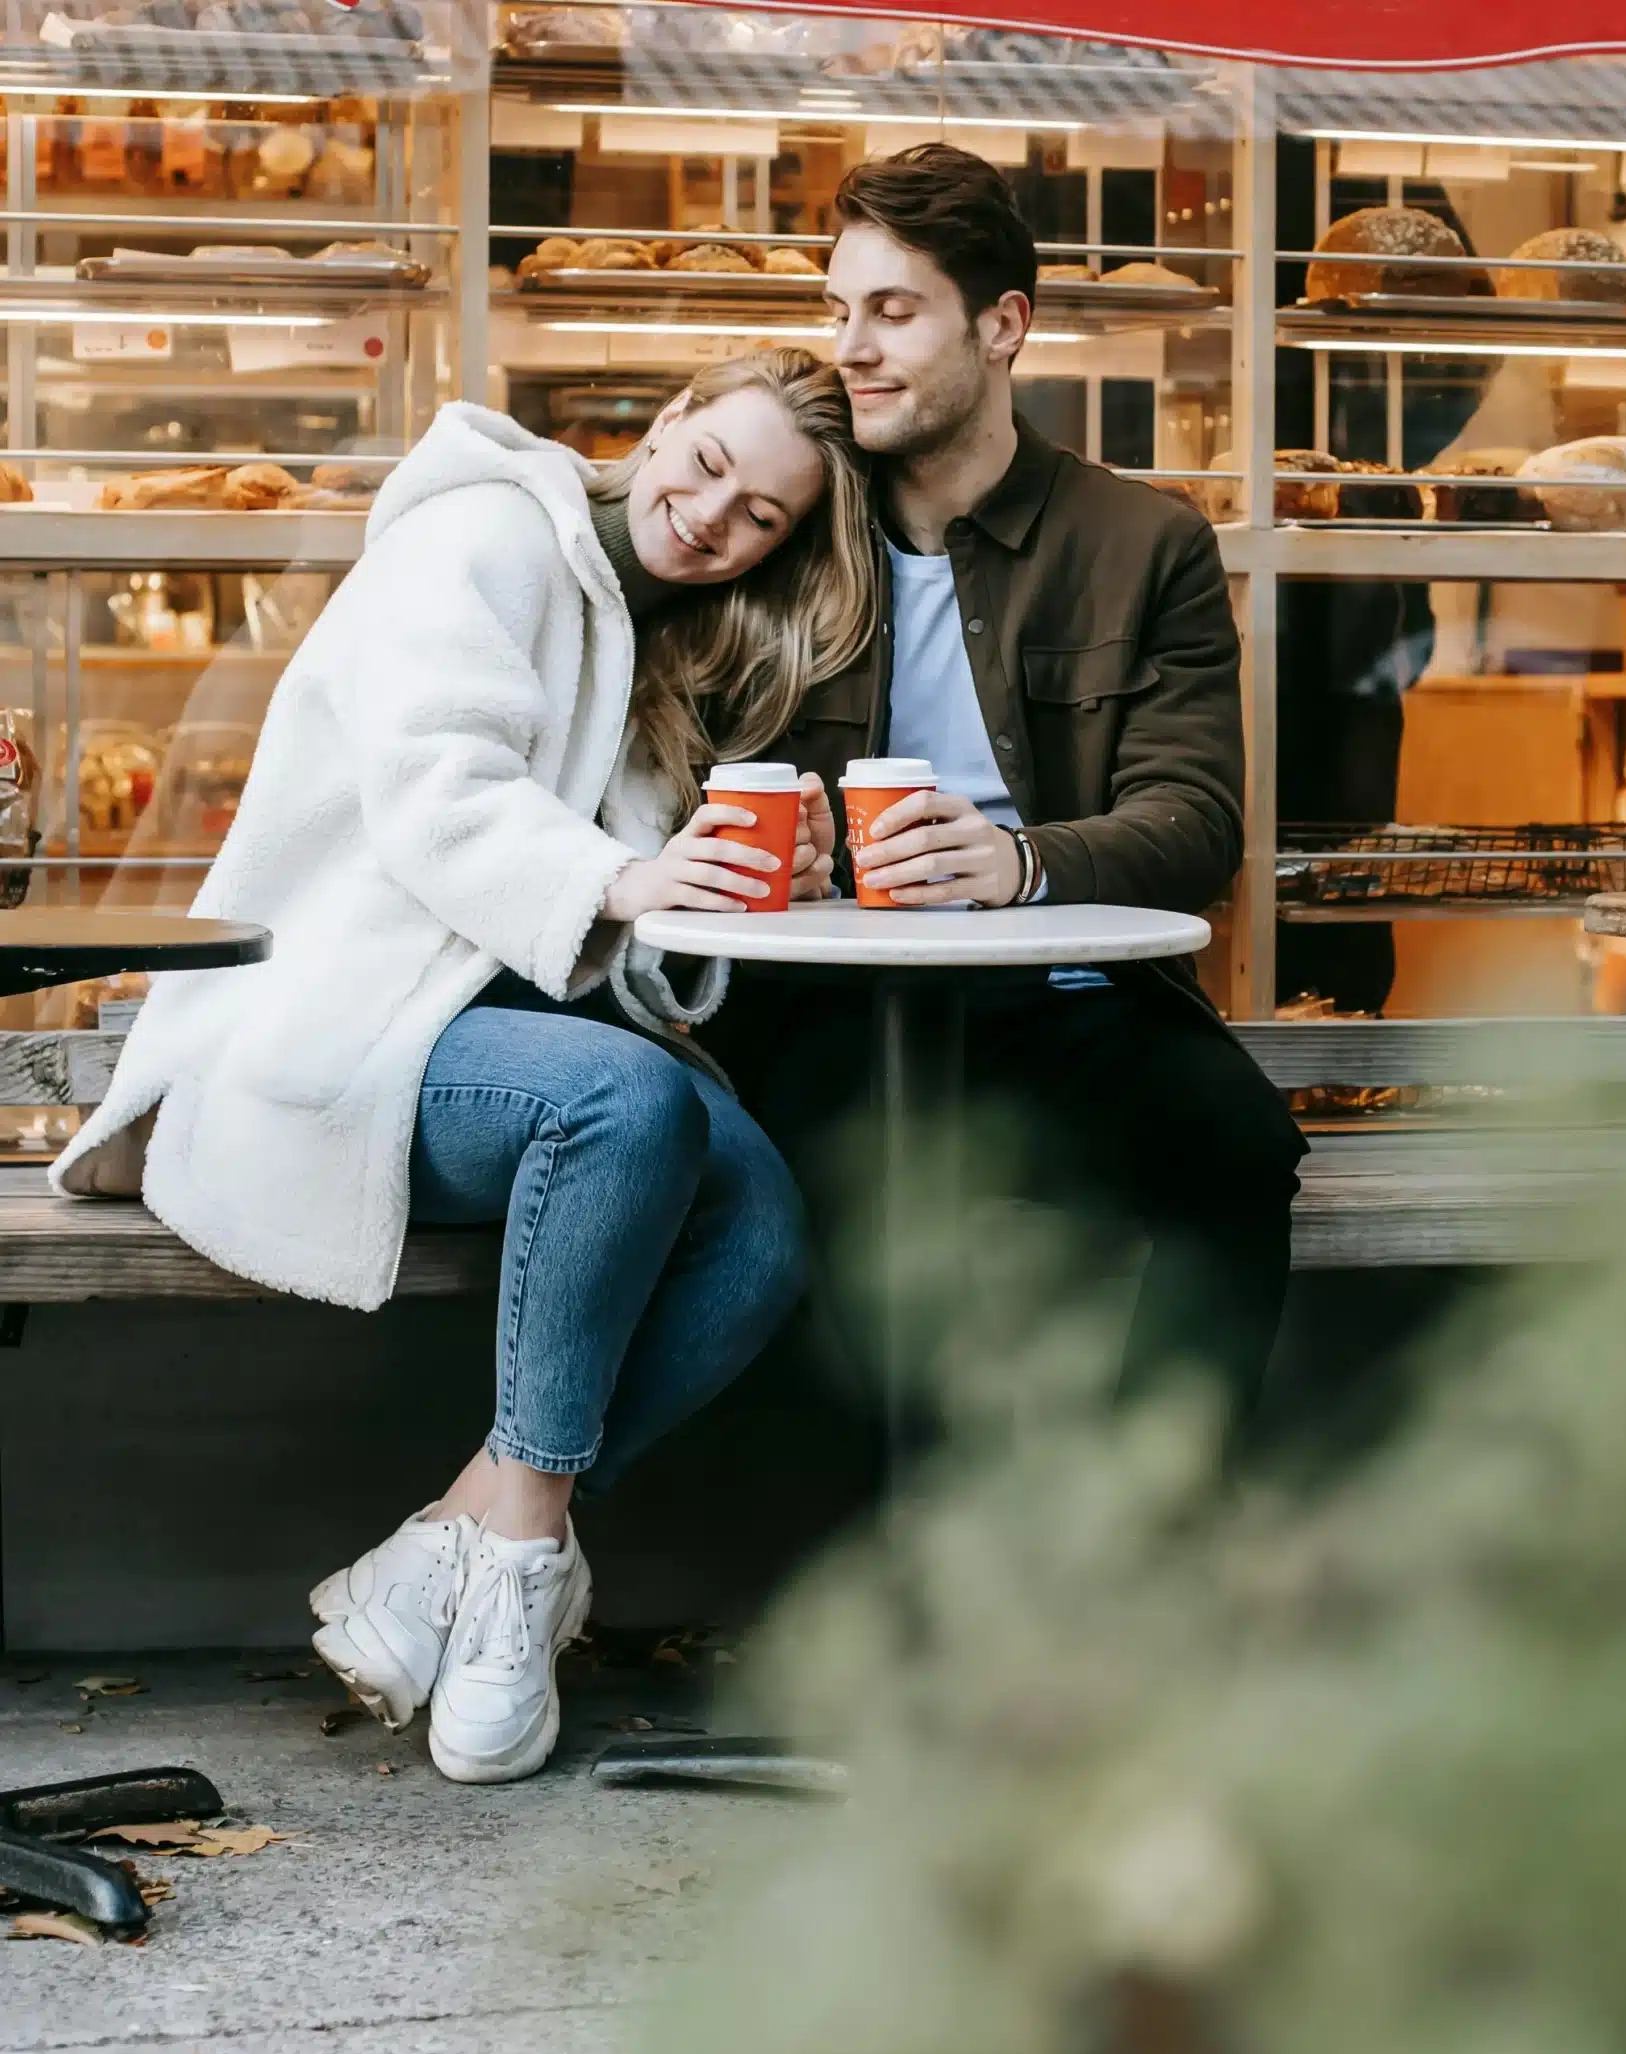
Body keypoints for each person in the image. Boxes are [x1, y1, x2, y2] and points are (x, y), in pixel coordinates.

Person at [53, 351, 874, 1784]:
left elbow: (620, 951)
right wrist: (629, 877)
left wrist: (734, 888)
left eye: (757, 516)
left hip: (486, 1052)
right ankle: (508, 1599)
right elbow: (441, 794)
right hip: (329, 1027)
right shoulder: (486, 536)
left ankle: (479, 1534)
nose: (708, 516)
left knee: (758, 1225)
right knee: (621, 1101)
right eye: (702, 465)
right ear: (659, 419)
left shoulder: (655, 638)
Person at [708, 145, 1306, 1428]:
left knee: (1240, 1149)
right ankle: (884, 1565)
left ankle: (1159, 1531)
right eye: (838, 309)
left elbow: (1196, 819)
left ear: (1003, 326)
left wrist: (1020, 864)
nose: (850, 348)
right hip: (829, 1013)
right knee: (808, 1188)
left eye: (894, 311)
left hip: (1071, 1006)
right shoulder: (790, 525)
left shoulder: (1146, 545)